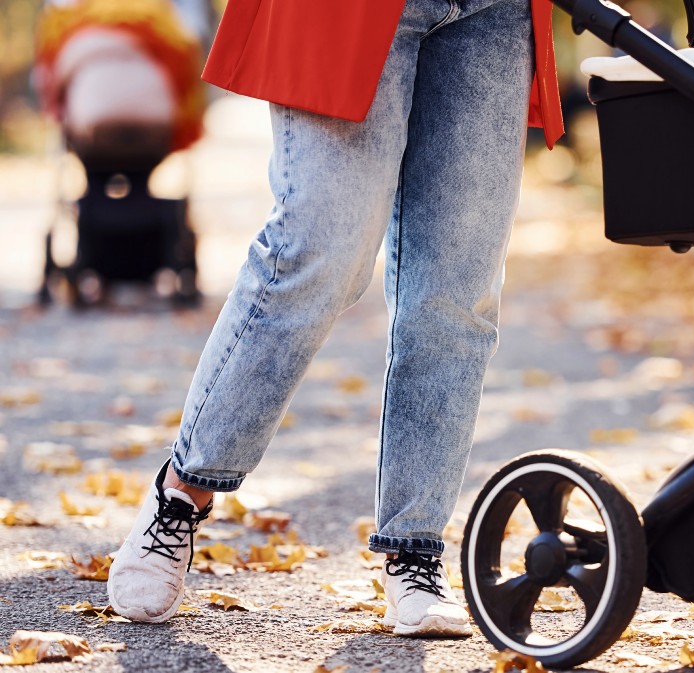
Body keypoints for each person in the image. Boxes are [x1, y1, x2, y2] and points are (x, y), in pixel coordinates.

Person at [103, 0, 565, 636]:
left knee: (456, 295)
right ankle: (181, 495)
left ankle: (415, 551)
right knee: (320, 253)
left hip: (492, 15)